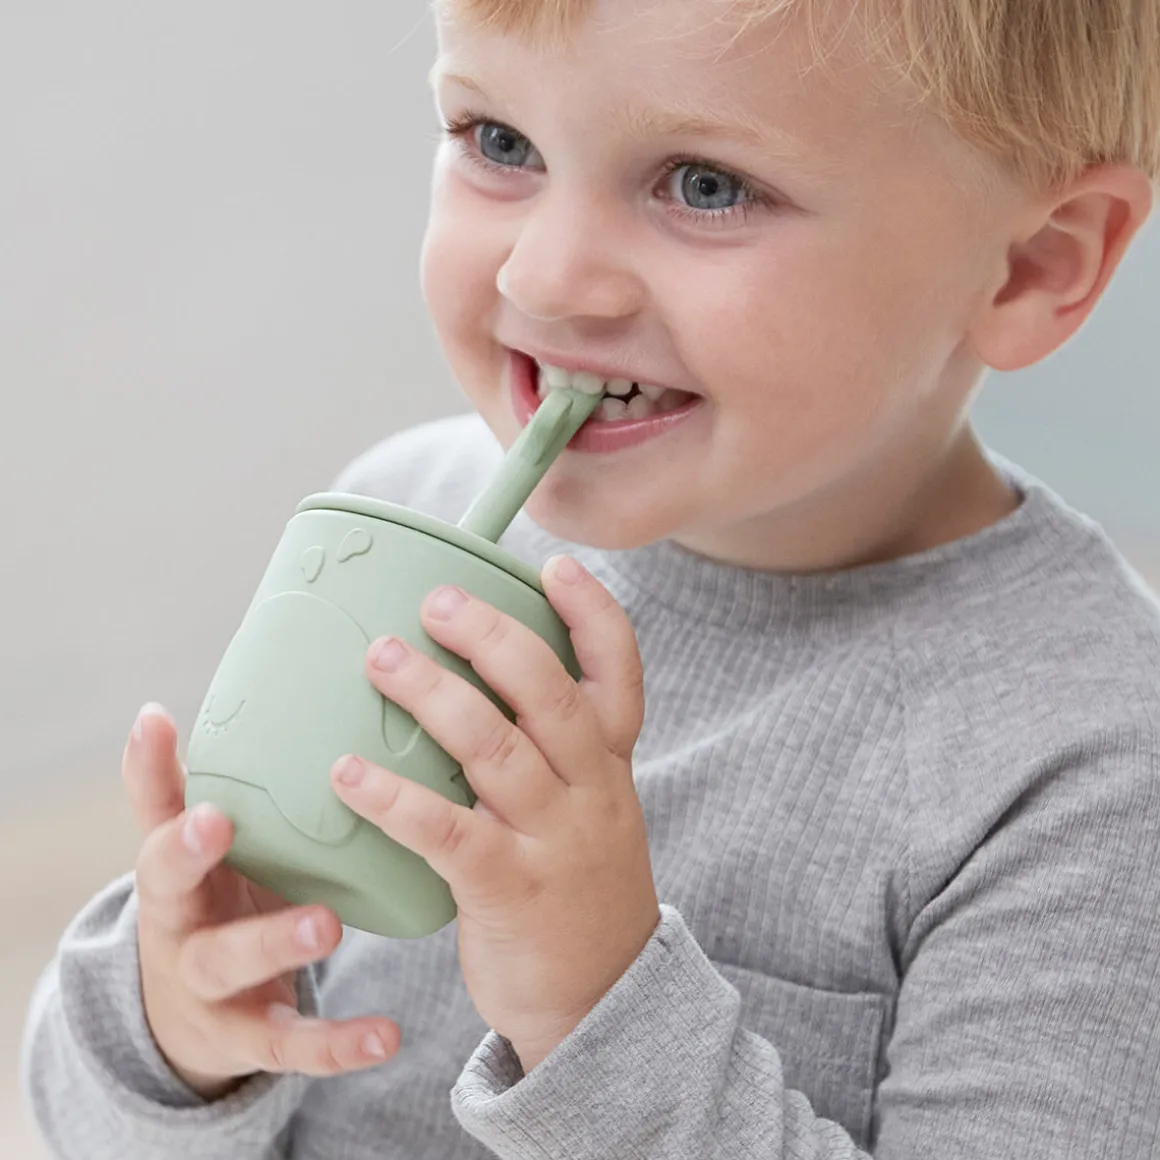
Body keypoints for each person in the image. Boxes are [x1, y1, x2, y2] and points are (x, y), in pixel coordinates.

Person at [20, 0, 1160, 1156]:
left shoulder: (1084, 759)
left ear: (1032, 266)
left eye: (705, 186)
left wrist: (597, 1012)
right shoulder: (397, 519)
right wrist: (176, 1031)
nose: (548, 276)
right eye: (498, 141)